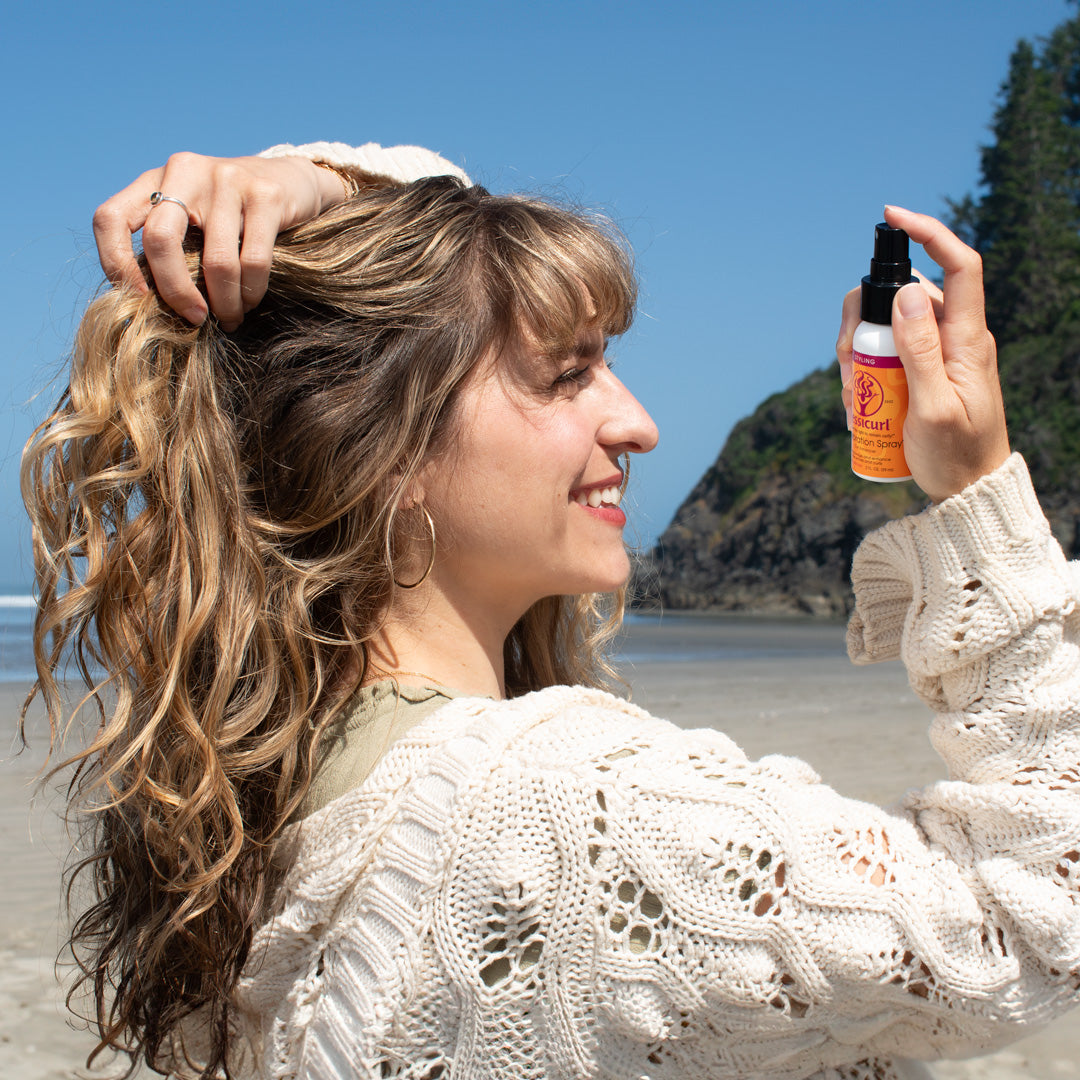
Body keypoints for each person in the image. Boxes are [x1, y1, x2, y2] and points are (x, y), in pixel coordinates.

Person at [22, 140, 1078, 1080]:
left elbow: (440, 261)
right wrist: (978, 496)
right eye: (568, 374)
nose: (639, 423)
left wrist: (330, 182)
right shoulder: (571, 815)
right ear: (383, 445)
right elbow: (1041, 919)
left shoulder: (270, 784)